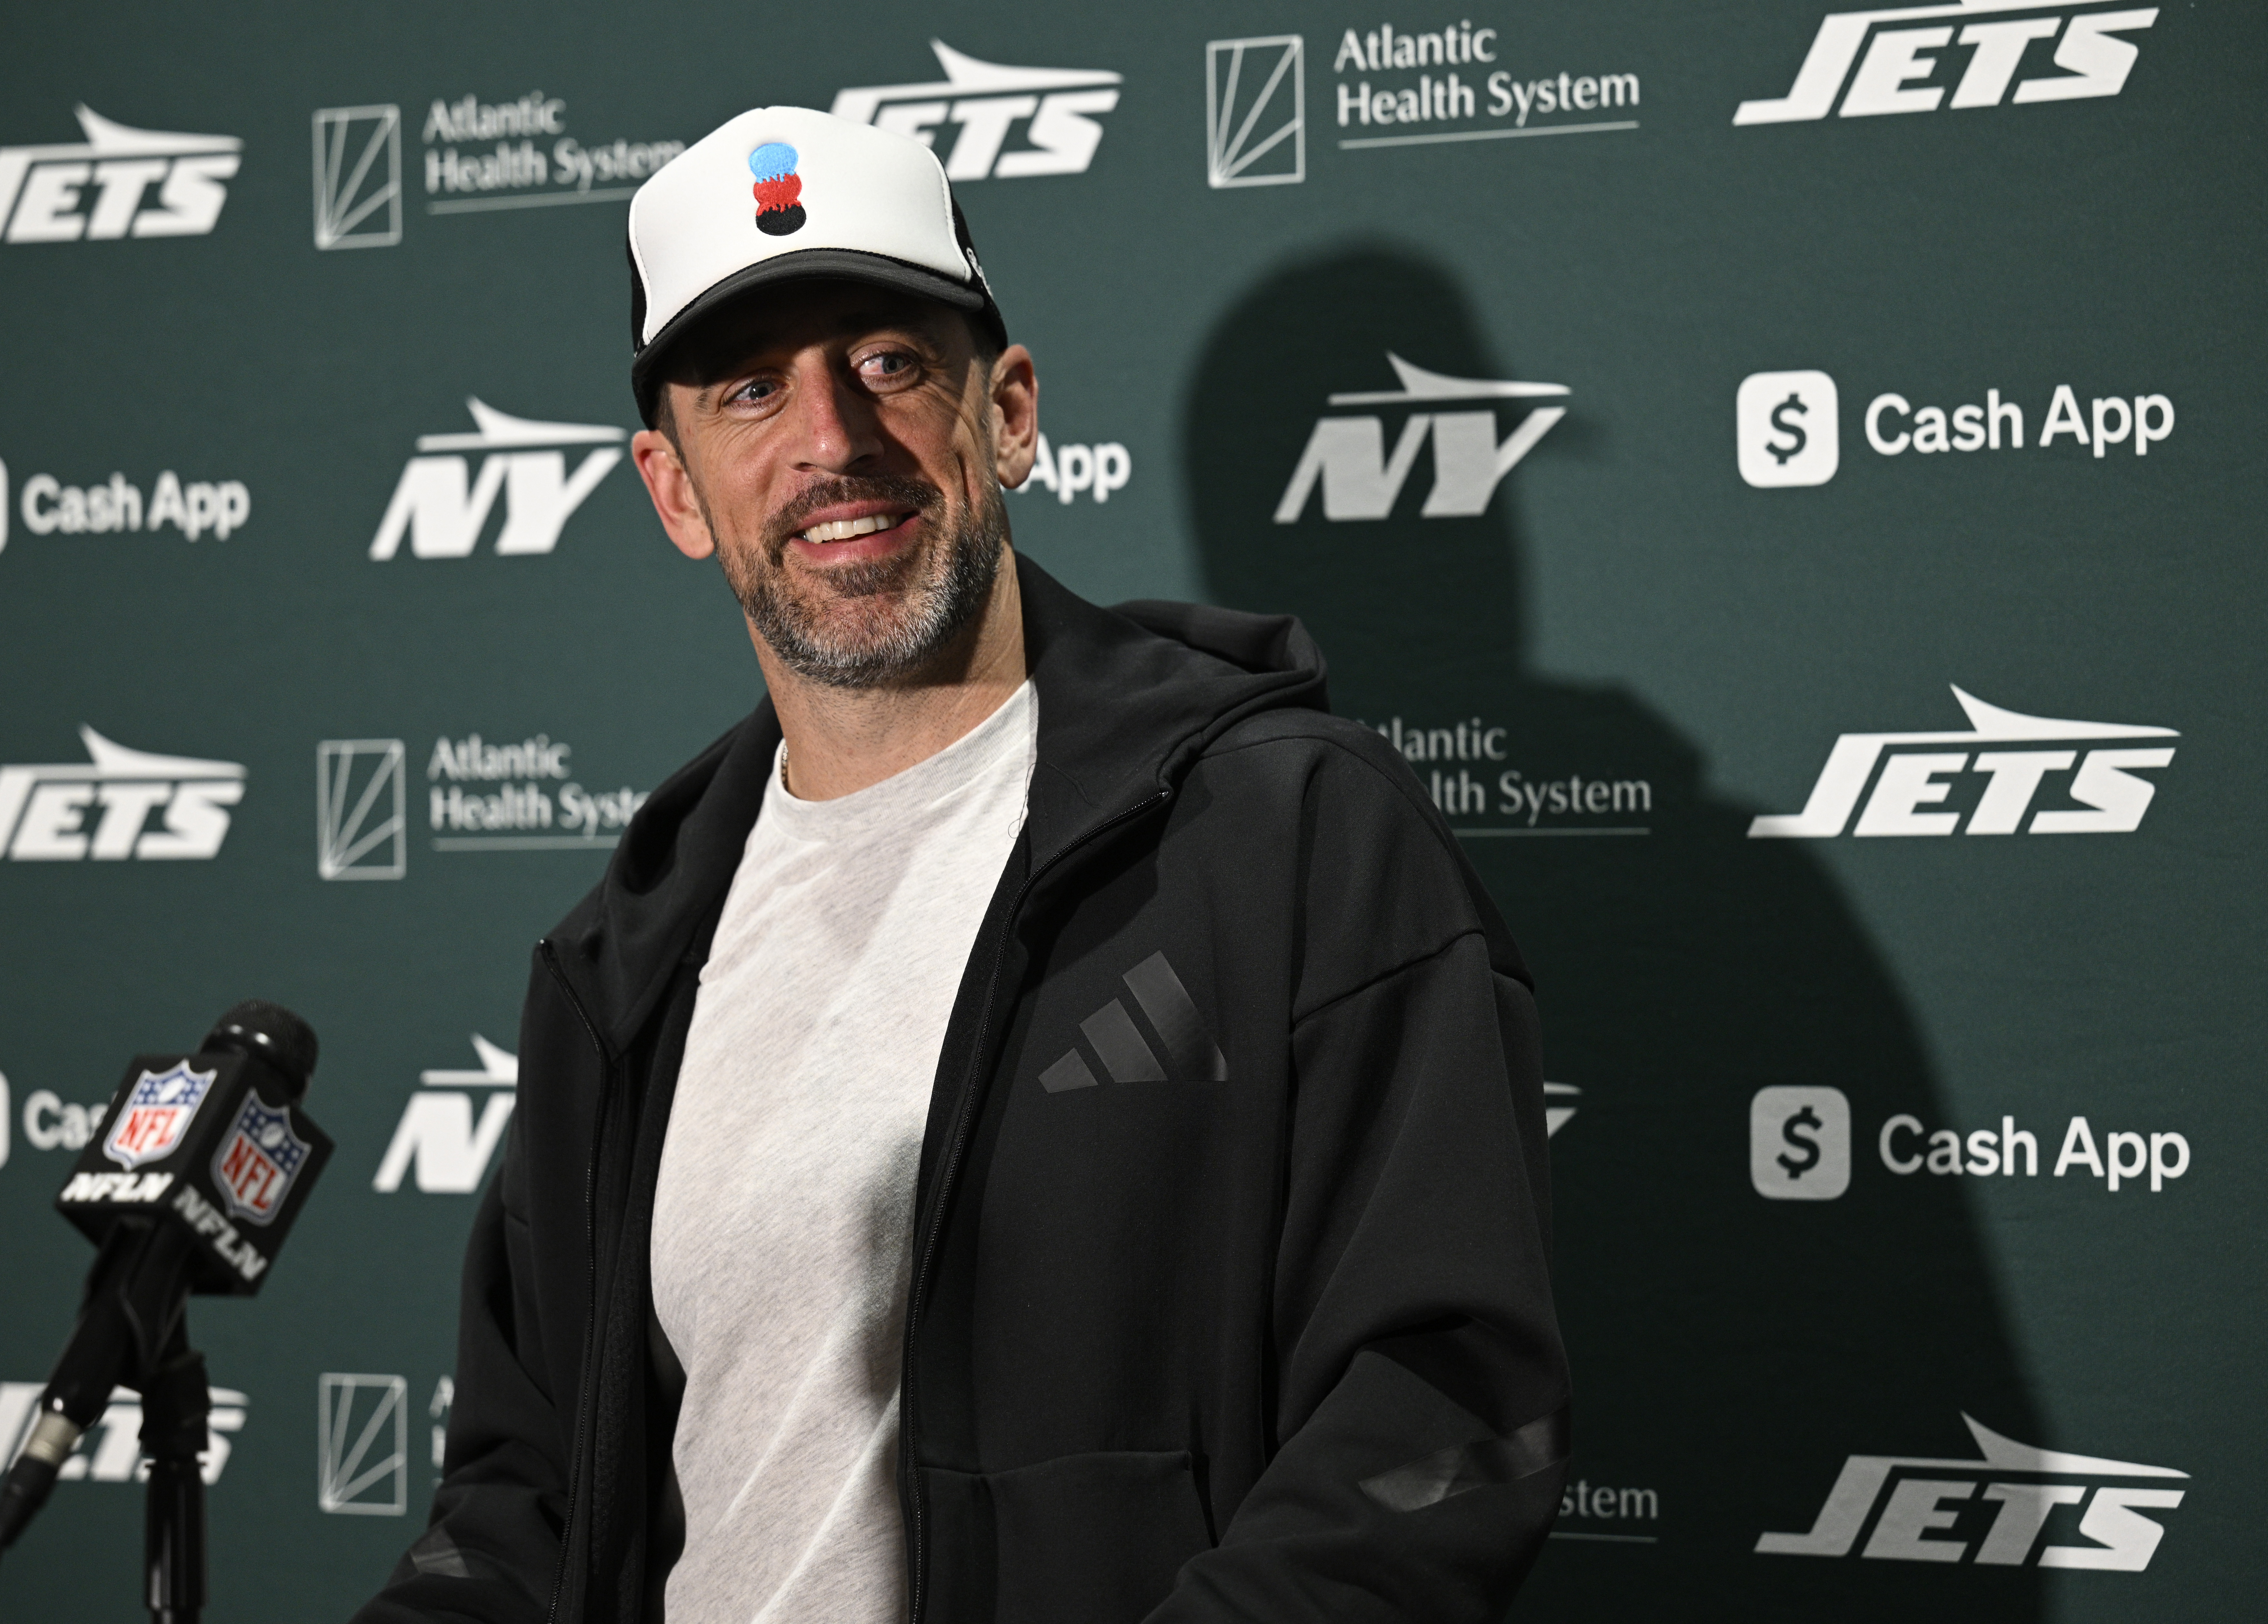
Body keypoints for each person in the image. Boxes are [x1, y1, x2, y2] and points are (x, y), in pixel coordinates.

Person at [354, 105, 1566, 1624]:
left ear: (1007, 412)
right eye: (749, 390)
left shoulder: (1294, 836)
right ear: (673, 489)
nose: (829, 439)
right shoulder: (620, 964)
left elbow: (1446, 1410)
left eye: (885, 361)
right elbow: (518, 1501)